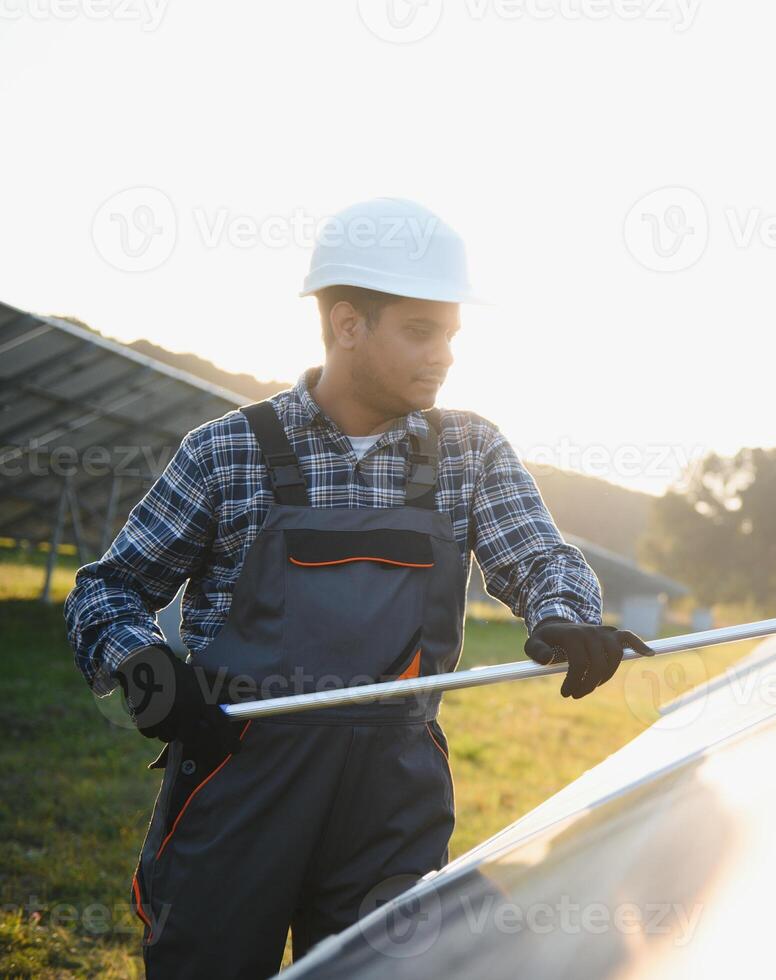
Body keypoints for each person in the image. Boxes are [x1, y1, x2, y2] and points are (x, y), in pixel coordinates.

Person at [62, 197, 652, 978]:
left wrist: (566, 615)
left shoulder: (469, 451)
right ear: (347, 324)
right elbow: (106, 592)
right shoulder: (227, 451)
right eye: (420, 331)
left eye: (449, 334)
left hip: (392, 797)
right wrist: (145, 668)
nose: (443, 355)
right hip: (238, 782)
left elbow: (541, 557)